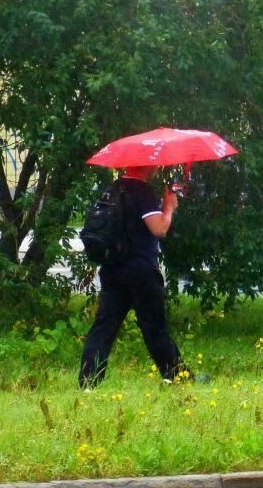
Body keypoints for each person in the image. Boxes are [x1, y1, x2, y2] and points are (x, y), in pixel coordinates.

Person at [79, 165, 189, 388]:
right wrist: (169, 207)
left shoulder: (112, 189)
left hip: (112, 269)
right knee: (154, 328)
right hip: (141, 272)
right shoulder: (142, 191)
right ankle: (177, 377)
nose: (156, 166)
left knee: (104, 328)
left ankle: (88, 382)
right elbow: (159, 228)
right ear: (145, 165)